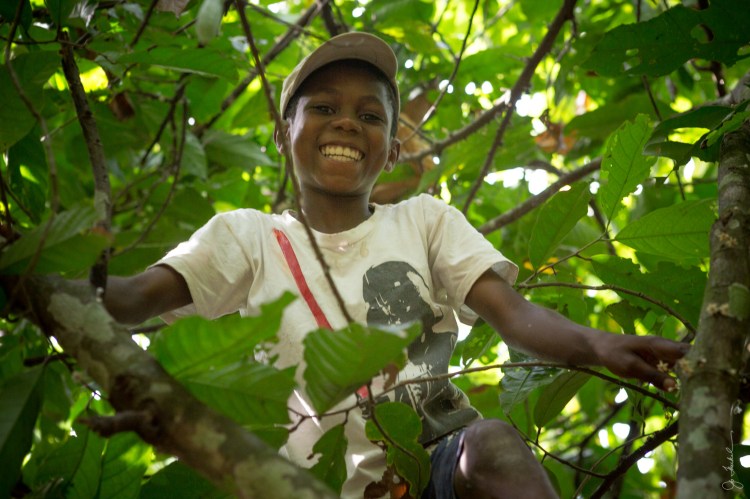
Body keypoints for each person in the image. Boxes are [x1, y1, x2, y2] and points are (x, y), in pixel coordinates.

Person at [103, 32, 689, 499]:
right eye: (325, 107)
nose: (347, 123)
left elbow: (512, 315)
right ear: (284, 136)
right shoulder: (248, 237)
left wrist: (599, 345)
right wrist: (58, 271)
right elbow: (133, 299)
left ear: (392, 149)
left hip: (436, 461)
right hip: (313, 484)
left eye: (371, 116)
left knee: (493, 444)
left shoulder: (424, 221)